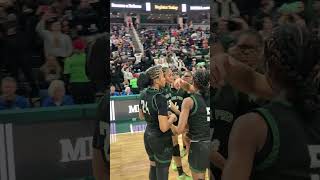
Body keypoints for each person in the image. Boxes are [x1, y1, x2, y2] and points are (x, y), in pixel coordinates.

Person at [214, 24, 320, 179]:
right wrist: (223, 60)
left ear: (268, 67)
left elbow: (255, 82)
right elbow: (253, 81)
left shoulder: (253, 125)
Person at [139, 65, 177, 180]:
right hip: (160, 140)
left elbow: (141, 116)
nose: (164, 79)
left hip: (148, 136)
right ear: (156, 80)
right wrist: (172, 118)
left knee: (153, 166)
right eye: (162, 76)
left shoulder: (143, 93)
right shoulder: (160, 97)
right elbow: (164, 127)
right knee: (162, 172)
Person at [171, 70, 211, 180]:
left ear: (194, 81)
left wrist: (169, 119)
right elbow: (191, 88)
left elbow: (179, 130)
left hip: (198, 146)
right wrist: (181, 81)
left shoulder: (189, 101)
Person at [161, 67, 192, 180]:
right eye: (170, 76)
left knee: (185, 136)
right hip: (169, 120)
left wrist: (182, 116)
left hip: (178, 118)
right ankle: (180, 171)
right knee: (174, 142)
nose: (173, 79)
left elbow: (171, 105)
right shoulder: (164, 90)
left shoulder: (183, 91)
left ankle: (183, 159)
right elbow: (168, 106)